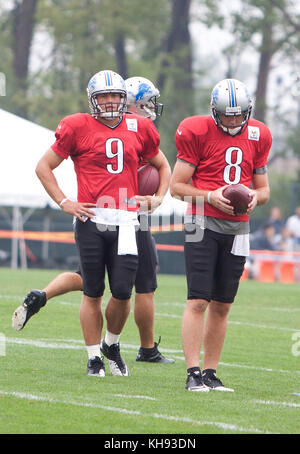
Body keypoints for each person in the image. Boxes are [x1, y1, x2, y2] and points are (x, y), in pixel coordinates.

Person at [13, 70, 172, 378]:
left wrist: (159, 197)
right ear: (93, 100)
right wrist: (64, 202)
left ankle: (111, 345)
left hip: (127, 219)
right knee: (92, 291)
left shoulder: (139, 126)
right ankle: (93, 358)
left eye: (115, 96)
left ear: (123, 99)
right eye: (104, 96)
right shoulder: (77, 126)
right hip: (92, 218)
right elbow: (43, 167)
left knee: (123, 291)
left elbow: (162, 165)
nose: (111, 102)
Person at [170, 78, 272, 392]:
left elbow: (264, 189)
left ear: (248, 112)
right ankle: (192, 372)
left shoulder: (259, 133)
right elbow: (176, 188)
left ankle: (211, 374)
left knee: (223, 304)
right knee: (198, 299)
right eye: (226, 115)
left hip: (238, 227)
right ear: (214, 112)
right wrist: (209, 196)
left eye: (238, 115)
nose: (232, 121)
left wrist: (256, 198)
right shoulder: (196, 130)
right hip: (202, 223)